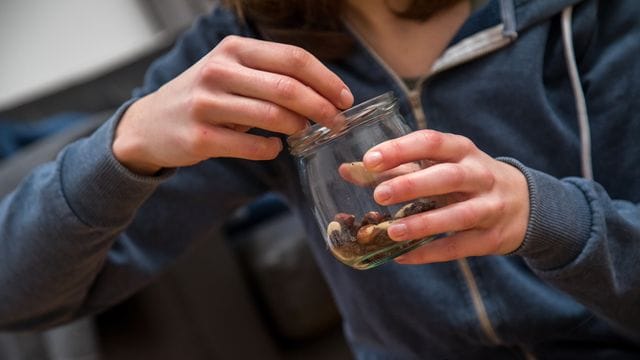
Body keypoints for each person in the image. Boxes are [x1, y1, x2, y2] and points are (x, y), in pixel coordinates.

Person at [1, 0, 639, 357]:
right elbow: (15, 296)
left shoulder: (600, 20)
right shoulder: (244, 48)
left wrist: (547, 216)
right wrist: (125, 144)